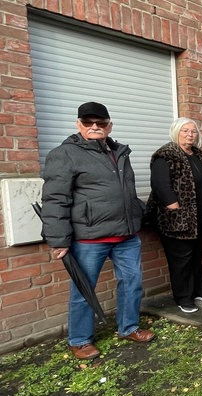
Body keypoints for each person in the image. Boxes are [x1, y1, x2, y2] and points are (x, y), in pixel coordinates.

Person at [41, 102, 155, 360]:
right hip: (89, 238)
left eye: (100, 123)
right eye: (88, 122)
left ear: (109, 125)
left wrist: (138, 215)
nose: (95, 127)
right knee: (83, 289)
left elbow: (126, 193)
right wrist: (59, 239)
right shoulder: (65, 154)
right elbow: (55, 199)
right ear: (78, 125)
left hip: (126, 236)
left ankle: (129, 327)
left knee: (132, 283)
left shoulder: (119, 152)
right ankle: (80, 340)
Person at [147, 118, 202, 314]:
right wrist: (175, 207)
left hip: (198, 215)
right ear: (176, 132)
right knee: (181, 258)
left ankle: (199, 290)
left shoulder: (197, 154)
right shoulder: (166, 155)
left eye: (193, 131)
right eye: (185, 131)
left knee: (195, 255)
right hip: (177, 218)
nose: (190, 134)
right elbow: (161, 185)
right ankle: (183, 297)